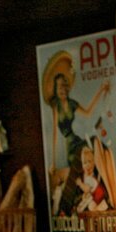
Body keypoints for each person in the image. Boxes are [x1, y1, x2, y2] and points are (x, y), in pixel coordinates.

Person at [48, 71, 109, 216]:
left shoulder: (72, 103)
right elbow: (55, 134)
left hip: (76, 140)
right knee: (77, 166)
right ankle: (68, 206)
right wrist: (53, 163)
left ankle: (101, 193)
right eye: (59, 87)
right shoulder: (56, 106)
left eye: (64, 86)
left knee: (94, 142)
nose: (62, 90)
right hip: (70, 145)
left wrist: (100, 90)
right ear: (56, 90)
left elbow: (88, 112)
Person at [75, 145, 109, 212]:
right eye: (85, 163)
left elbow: (87, 189)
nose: (87, 165)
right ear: (82, 165)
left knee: (92, 206)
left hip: (99, 197)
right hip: (95, 198)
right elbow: (88, 192)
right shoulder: (86, 177)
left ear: (94, 163)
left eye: (89, 161)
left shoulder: (90, 178)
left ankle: (100, 207)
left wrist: (80, 184)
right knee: (89, 204)